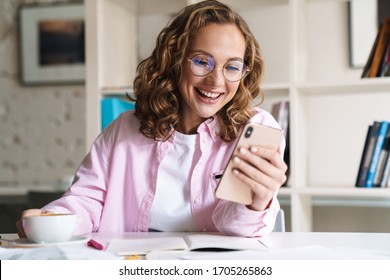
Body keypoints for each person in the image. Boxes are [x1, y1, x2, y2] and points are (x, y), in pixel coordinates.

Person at [17, 0, 287, 238]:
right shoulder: (124, 129)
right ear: (174, 59)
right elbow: (88, 200)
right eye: (202, 61)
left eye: (231, 67)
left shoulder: (254, 129)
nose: (216, 80)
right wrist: (52, 220)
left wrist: (258, 201)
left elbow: (235, 229)